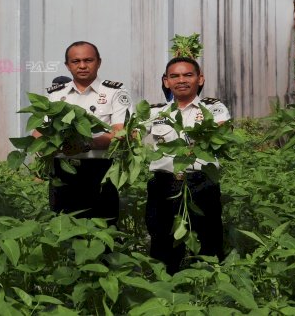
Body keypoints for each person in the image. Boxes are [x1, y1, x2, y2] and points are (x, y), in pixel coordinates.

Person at [145, 57, 229, 274]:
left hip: (201, 183)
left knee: (209, 241)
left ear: (200, 79)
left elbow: (219, 131)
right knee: (162, 242)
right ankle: (166, 287)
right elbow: (132, 133)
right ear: (166, 82)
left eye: (188, 75)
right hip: (164, 185)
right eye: (174, 76)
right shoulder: (155, 113)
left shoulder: (214, 107)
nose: (181, 80)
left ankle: (210, 285)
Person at [43, 41, 130, 226]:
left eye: (88, 60)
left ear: (99, 62)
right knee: (64, 229)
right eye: (76, 61)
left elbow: (120, 133)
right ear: (67, 65)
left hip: (101, 171)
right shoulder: (55, 95)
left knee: (104, 228)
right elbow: (41, 132)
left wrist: (86, 144)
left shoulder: (115, 92)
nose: (82, 66)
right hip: (63, 171)